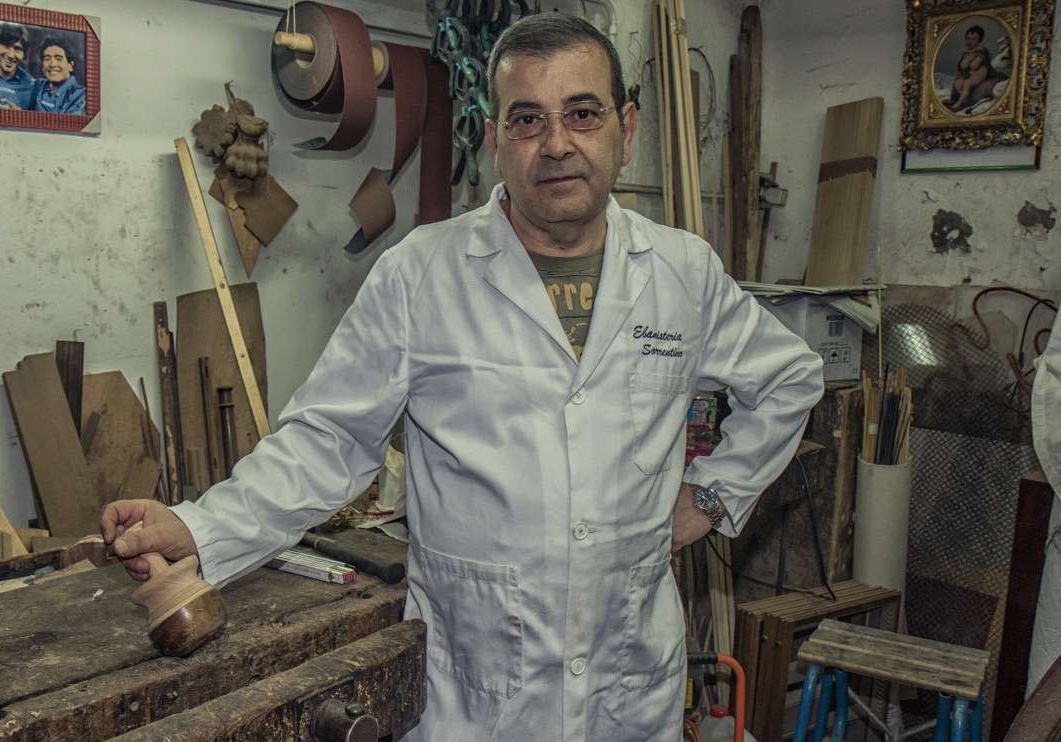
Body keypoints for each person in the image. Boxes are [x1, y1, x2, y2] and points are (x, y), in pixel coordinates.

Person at [102, 13, 823, 741]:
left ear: (626, 128)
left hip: (629, 692)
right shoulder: (420, 274)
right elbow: (328, 440)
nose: (557, 143)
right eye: (527, 119)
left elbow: (789, 378)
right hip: (477, 697)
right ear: (494, 138)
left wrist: (711, 497)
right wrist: (201, 527)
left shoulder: (681, 271)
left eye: (582, 113)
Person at [947, 25, 1002, 112]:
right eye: (968, 38)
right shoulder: (966, 53)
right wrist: (967, 59)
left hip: (979, 74)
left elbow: (974, 66)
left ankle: (959, 103)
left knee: (967, 83)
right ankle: (965, 98)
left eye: (973, 39)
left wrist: (970, 58)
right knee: (958, 83)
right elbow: (963, 66)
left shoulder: (981, 51)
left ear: (979, 40)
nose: (970, 41)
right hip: (970, 74)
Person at [28, 35, 86, 115]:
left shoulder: (81, 96)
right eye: (47, 59)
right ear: (42, 66)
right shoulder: (38, 86)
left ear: (70, 66)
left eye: (59, 59)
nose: (52, 64)